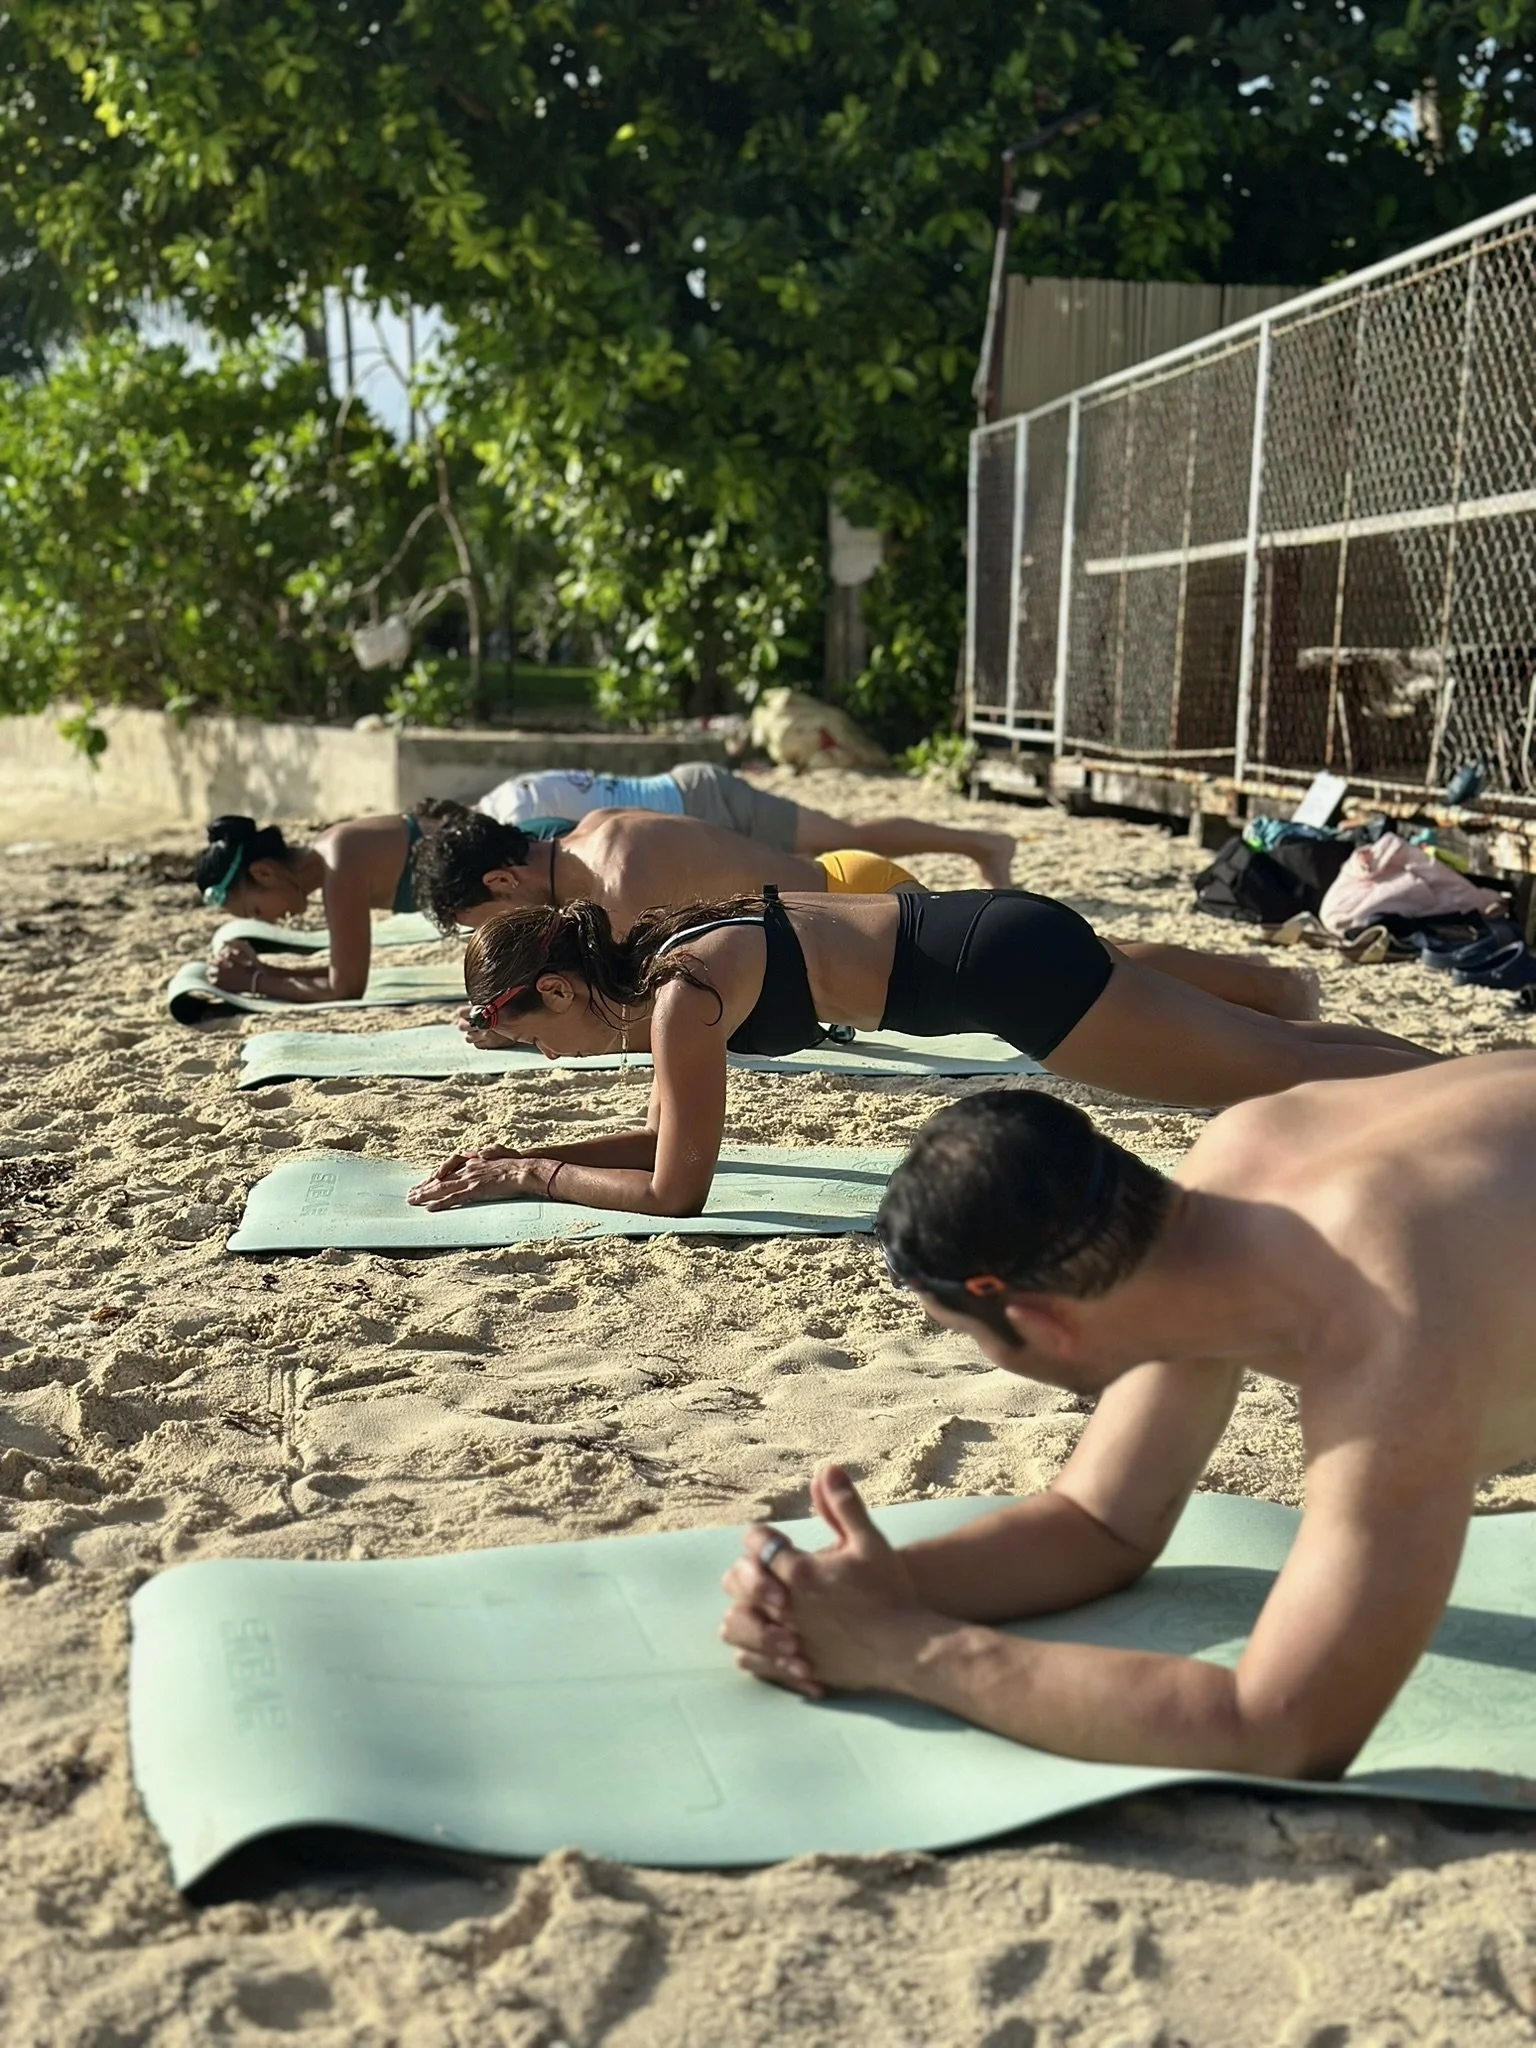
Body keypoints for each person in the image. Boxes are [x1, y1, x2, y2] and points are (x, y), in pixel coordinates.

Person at [717, 1065, 1536, 1781]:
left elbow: (1285, 1730)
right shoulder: (1224, 1189)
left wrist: (904, 1650)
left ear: (1042, 1323)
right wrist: (875, 1590)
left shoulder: (1385, 1308)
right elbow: (1100, 1523)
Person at [407, 887, 1433, 1217]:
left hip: (1014, 977)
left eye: (525, 1032)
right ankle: (1483, 1080)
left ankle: (1492, 1093)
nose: (540, 1058)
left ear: (554, 987)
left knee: (1270, 1069)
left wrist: (537, 1175)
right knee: (1280, 1049)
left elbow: (681, 1188)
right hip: (1004, 939)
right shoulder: (669, 965)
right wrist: (518, 1156)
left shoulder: (682, 998)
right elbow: (671, 1135)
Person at [415, 809, 1320, 1041]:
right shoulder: (594, 837)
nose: (494, 927)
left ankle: (1274, 987)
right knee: (1087, 959)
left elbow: (630, 1006)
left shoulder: (610, 884)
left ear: (504, 877)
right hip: (836, 894)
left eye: (483, 917)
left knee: (1091, 962)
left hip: (849, 900)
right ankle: (1272, 989)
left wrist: (519, 1017)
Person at [475, 760, 1019, 888]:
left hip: (706, 801)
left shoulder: (519, 822)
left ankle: (981, 844)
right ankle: (979, 845)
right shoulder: (502, 801)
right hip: (690, 800)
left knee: (849, 839)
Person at [193, 811, 449, 1003]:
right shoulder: (330, 854)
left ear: (263, 874)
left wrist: (251, 982)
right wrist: (263, 971)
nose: (268, 922)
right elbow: (345, 972)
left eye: (257, 911)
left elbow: (345, 989)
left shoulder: (340, 866)